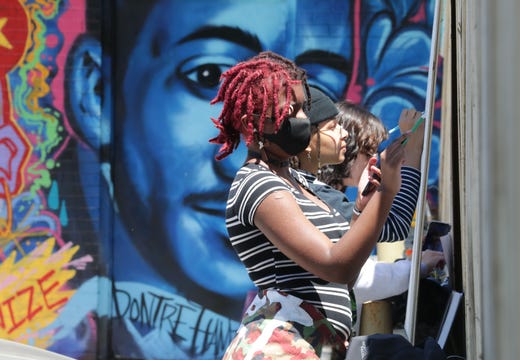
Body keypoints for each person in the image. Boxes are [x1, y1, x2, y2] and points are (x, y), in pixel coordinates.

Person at [210, 50, 408, 359]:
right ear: (254, 122)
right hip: (281, 348)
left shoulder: (298, 182)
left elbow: (347, 267)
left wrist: (360, 210)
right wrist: (387, 193)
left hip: (313, 346)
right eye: (292, 110)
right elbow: (336, 266)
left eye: (304, 108)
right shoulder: (257, 184)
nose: (304, 119)